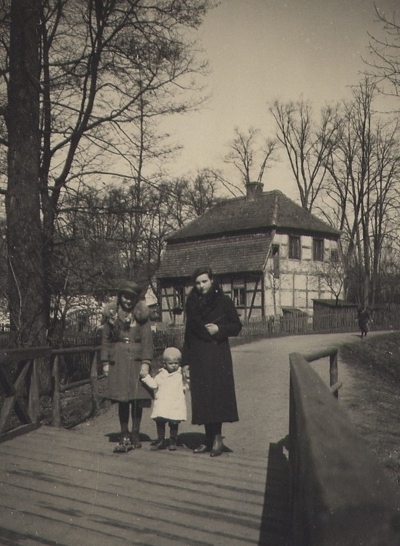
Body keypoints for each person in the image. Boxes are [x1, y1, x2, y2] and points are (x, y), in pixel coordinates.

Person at [182, 266, 242, 457]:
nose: (201, 286)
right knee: (203, 397)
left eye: (204, 281)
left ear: (212, 280)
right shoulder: (191, 304)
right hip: (198, 355)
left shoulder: (224, 301)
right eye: (197, 283)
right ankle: (207, 440)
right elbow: (188, 335)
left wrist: (219, 329)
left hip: (217, 354)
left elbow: (236, 326)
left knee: (217, 396)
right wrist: (185, 362)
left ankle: (217, 438)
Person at [101, 281, 153, 453]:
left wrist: (146, 362)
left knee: (137, 399)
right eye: (125, 296)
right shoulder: (112, 314)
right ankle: (124, 433)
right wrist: (105, 362)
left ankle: (136, 433)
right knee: (123, 400)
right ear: (120, 296)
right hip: (119, 361)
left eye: (131, 298)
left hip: (137, 362)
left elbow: (147, 341)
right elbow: (106, 340)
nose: (128, 301)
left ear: (136, 299)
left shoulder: (142, 316)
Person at [140, 347, 187, 451]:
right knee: (160, 422)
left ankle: (172, 440)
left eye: (176, 363)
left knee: (174, 423)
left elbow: (187, 386)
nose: (174, 365)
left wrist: (188, 379)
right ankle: (161, 440)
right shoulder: (161, 375)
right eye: (171, 363)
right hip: (163, 403)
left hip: (175, 404)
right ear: (164, 363)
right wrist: (146, 377)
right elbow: (154, 384)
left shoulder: (180, 376)